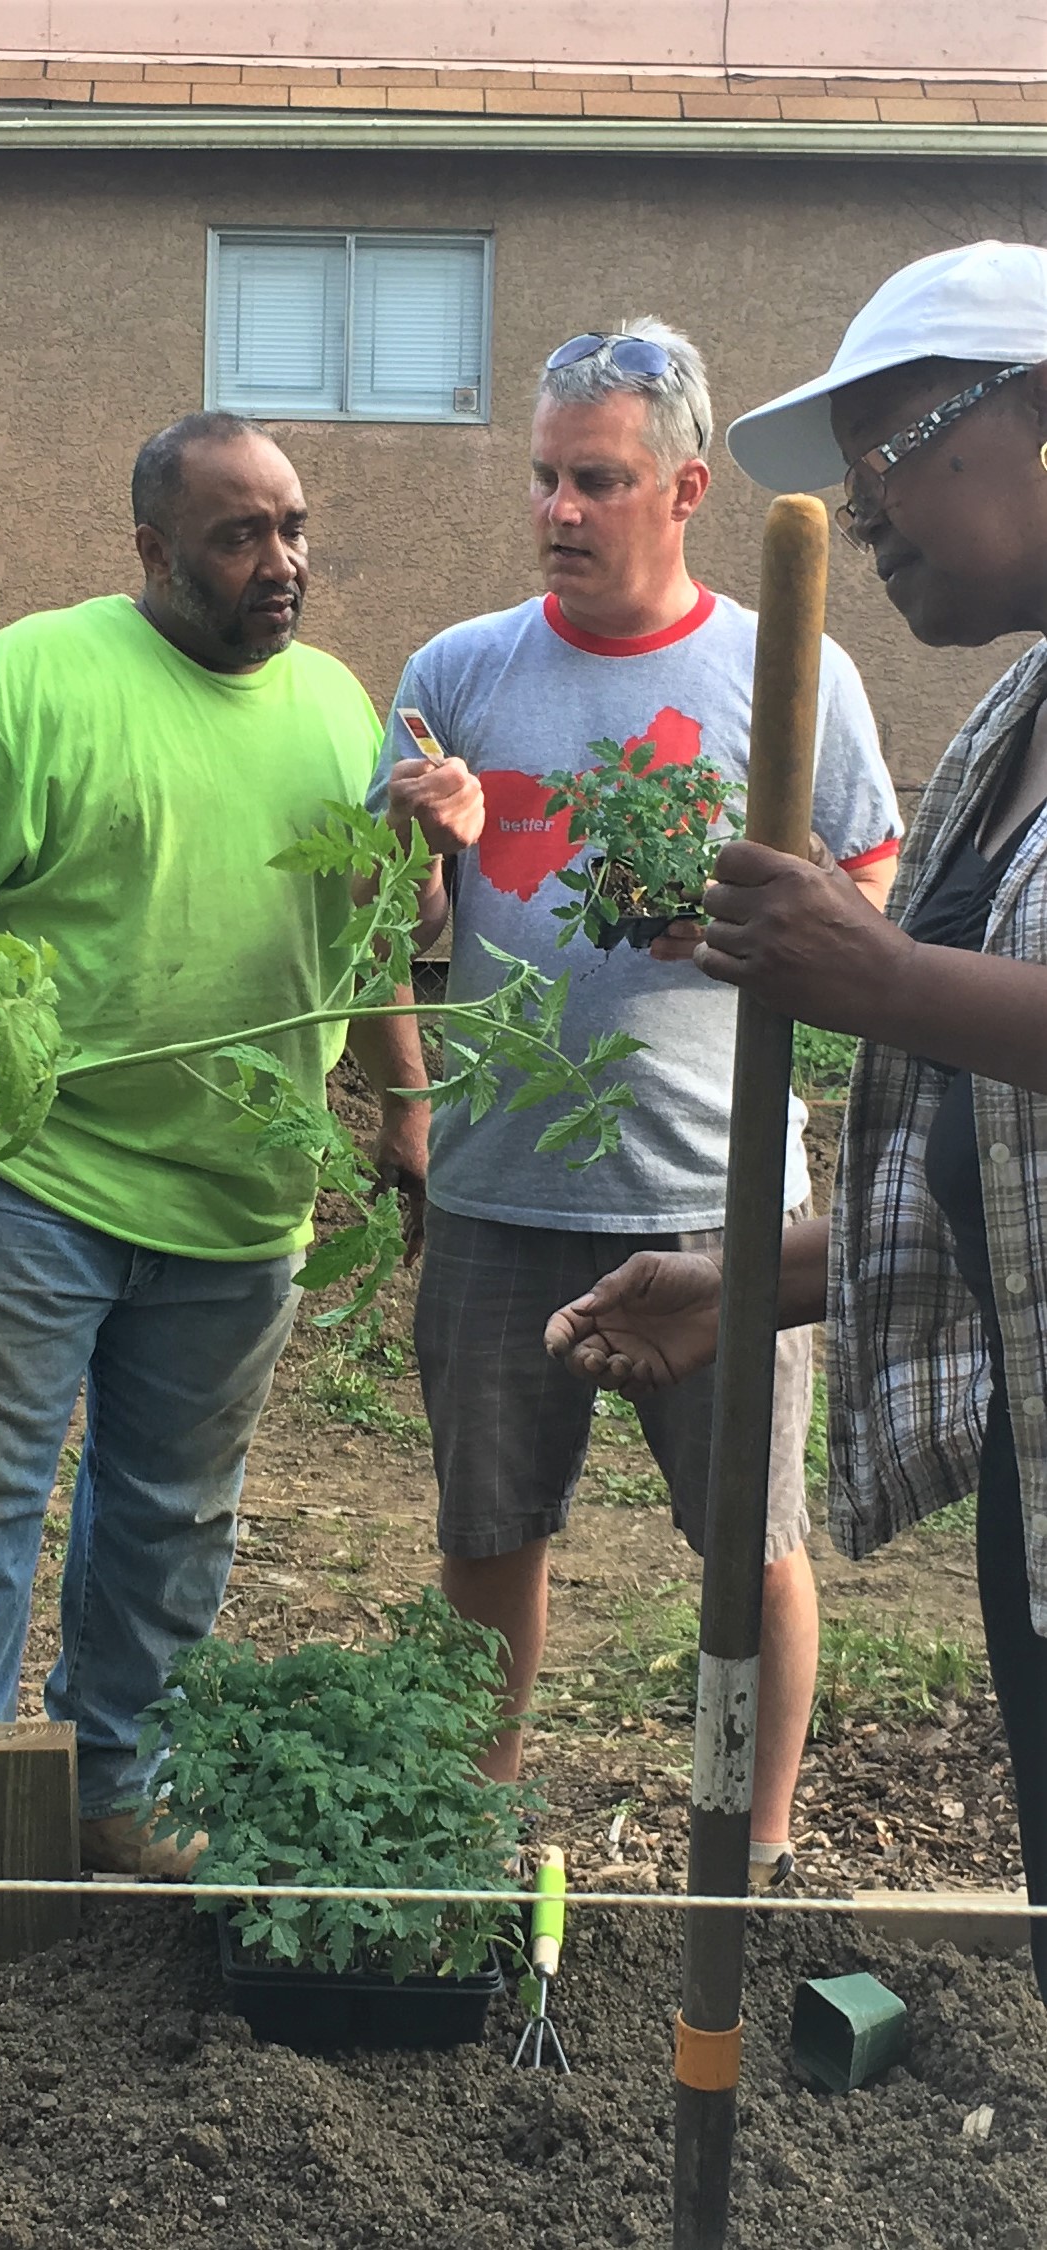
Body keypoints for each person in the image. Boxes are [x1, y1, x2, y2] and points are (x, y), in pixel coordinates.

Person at [0, 411, 429, 1997]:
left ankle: (120, 1779)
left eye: (295, 527)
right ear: (154, 551)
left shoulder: (337, 709)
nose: (283, 563)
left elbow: (370, 921)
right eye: (241, 535)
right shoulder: (34, 676)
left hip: (239, 1199)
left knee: (176, 1511)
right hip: (27, 1173)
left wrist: (407, 1098)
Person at [546, 241, 1047, 1999]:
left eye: (896, 442)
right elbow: (1000, 1167)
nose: (864, 505)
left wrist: (876, 972)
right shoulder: (1014, 717)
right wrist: (752, 1274)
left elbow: (917, 1000)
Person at [364, 320, 902, 1885]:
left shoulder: (789, 667)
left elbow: (864, 895)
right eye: (543, 478)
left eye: (595, 480)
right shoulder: (458, 674)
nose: (558, 511)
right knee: (488, 1535)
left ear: (682, 491)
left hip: (721, 1196)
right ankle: (479, 1830)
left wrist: (755, 917)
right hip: (498, 1185)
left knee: (754, 1545)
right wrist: (430, 846)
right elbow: (393, 930)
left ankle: (758, 1843)